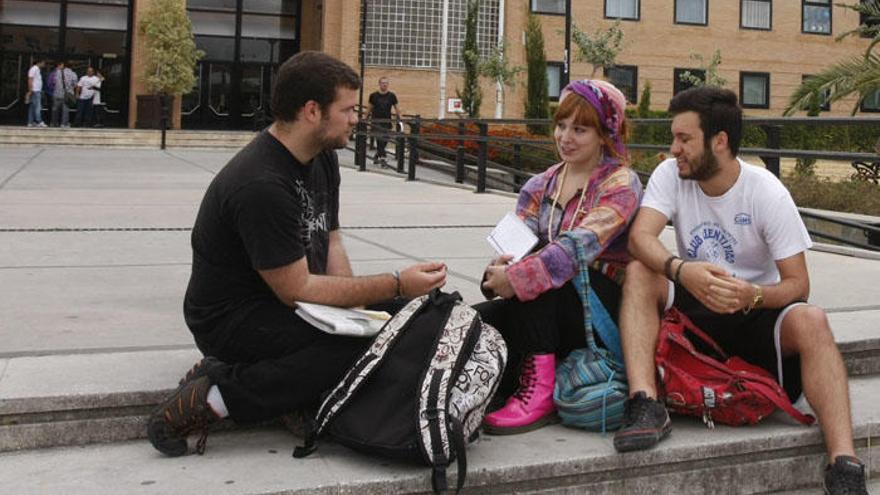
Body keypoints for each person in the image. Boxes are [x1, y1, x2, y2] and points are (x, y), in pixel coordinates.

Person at [147, 51, 447, 457]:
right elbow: (296, 289)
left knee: (401, 318)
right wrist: (394, 283)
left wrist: (361, 308)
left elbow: (332, 240)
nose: (355, 119)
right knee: (354, 347)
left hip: (288, 300)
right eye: (346, 110)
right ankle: (214, 396)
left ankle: (286, 393)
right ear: (312, 111)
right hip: (231, 318)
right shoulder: (261, 183)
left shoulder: (321, 157)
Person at [611, 86, 868, 495]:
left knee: (813, 319)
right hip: (692, 306)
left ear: (720, 142)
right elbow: (641, 238)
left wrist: (754, 296)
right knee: (643, 271)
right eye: (673, 137)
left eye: (684, 139)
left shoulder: (765, 191)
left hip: (751, 310)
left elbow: (799, 284)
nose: (673, 148)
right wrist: (682, 270)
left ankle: (844, 465)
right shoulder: (670, 175)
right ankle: (645, 403)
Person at [474, 79, 642, 435]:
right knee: (477, 321)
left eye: (579, 129)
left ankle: (540, 394)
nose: (565, 137)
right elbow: (515, 243)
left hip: (599, 311)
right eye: (561, 125)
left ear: (604, 134)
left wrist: (516, 278)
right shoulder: (540, 185)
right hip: (547, 307)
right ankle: (495, 384)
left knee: (544, 276)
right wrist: (497, 272)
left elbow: (575, 250)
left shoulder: (620, 184)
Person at [366, 76, 400, 165]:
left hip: (387, 121)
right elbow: (369, 108)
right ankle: (383, 158)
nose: (384, 84)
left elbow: (397, 108)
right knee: (380, 139)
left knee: (385, 140)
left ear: (388, 84)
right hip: (376, 122)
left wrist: (400, 118)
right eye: (383, 83)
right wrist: (364, 119)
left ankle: (378, 154)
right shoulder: (373, 96)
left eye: (386, 83)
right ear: (379, 84)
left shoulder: (392, 96)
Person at [47, 62, 75, 128]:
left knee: (55, 109)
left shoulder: (56, 72)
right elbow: (75, 83)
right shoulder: (73, 74)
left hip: (56, 94)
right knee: (65, 110)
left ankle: (54, 123)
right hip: (66, 95)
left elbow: (52, 82)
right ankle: (64, 124)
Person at [26, 59, 47, 127]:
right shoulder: (34, 69)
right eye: (43, 62)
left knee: (32, 107)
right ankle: (39, 121)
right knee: (38, 106)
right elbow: (30, 79)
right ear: (39, 62)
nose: (44, 64)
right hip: (35, 90)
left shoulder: (37, 69)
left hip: (36, 90)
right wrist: (30, 90)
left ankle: (30, 122)